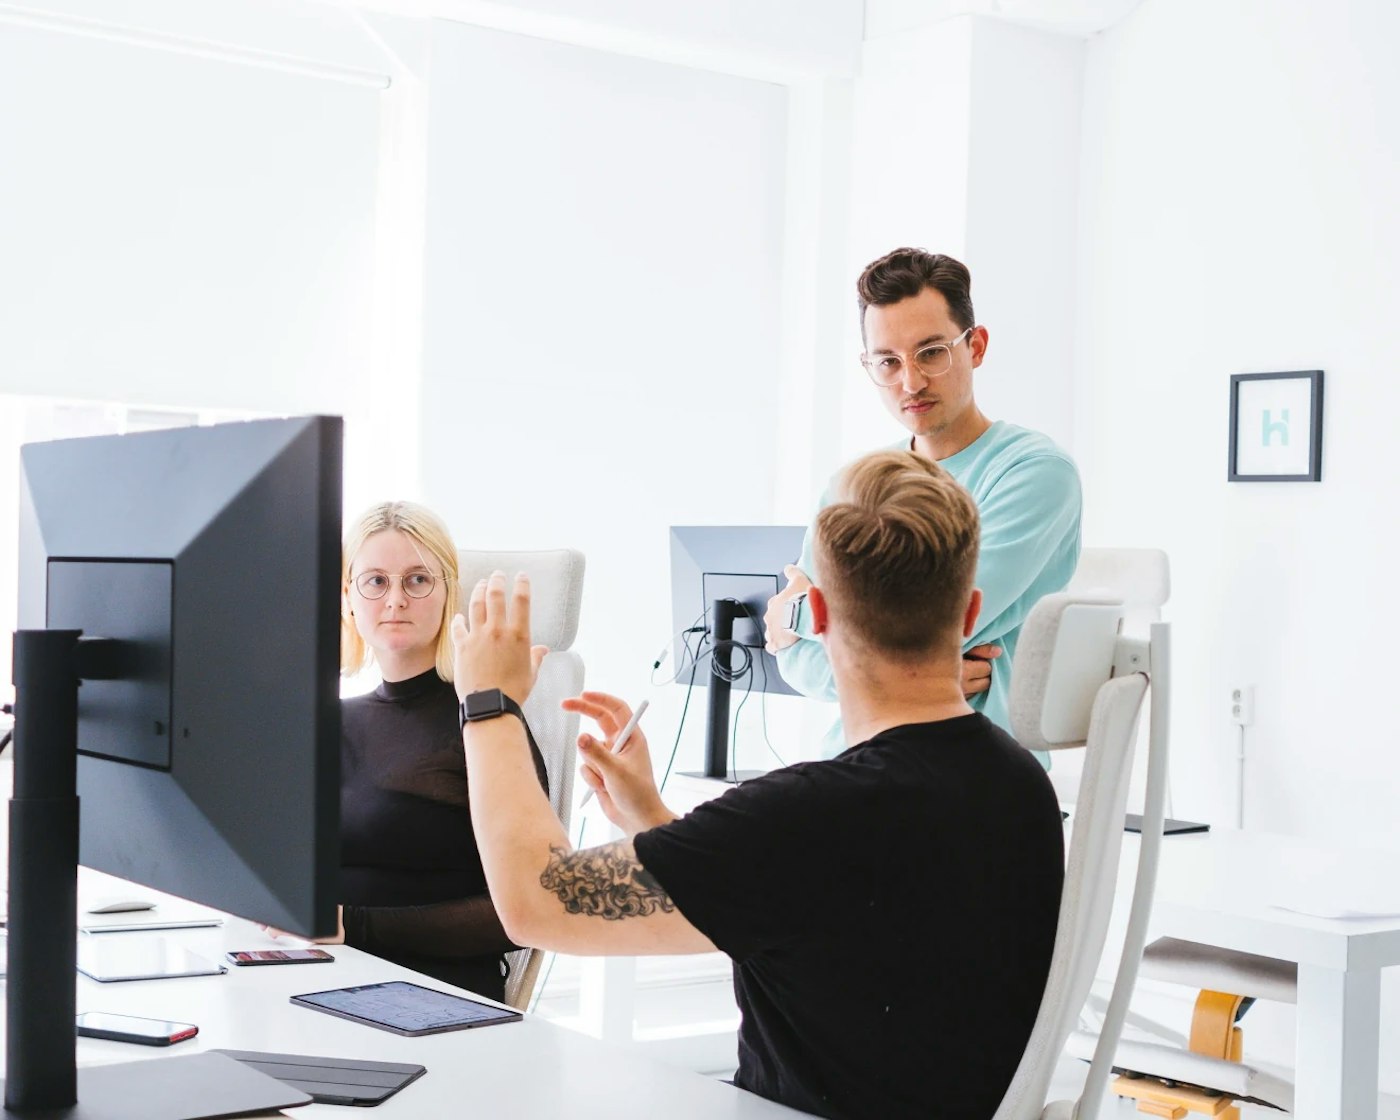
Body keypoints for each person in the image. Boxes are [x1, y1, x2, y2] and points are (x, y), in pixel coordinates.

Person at [452, 452, 1064, 1119]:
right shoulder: (1022, 784)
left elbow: (539, 903)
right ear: (971, 610)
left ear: (818, 613)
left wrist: (488, 704)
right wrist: (649, 815)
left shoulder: (814, 815)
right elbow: (824, 915)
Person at [765, 248, 1082, 760]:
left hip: (971, 772)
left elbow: (940, 620)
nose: (910, 382)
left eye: (931, 352)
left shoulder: (1033, 473)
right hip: (851, 760)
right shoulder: (855, 485)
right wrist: (924, 677)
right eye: (887, 362)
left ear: (975, 347)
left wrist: (794, 621)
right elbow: (799, 664)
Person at [285, 501, 547, 1003]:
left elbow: (526, 912)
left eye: (418, 580)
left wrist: (352, 927)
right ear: (348, 598)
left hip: (430, 993)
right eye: (376, 581)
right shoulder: (330, 721)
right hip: (319, 974)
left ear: (448, 594)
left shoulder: (485, 724)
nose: (396, 600)